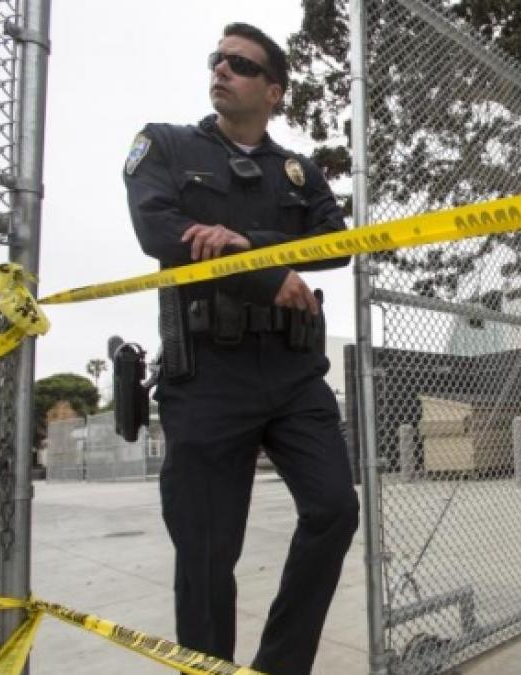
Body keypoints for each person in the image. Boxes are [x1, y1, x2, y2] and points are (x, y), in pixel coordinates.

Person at [123, 23, 358, 674]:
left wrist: (239, 240)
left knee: (335, 508)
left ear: (273, 91)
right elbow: (159, 229)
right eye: (217, 60)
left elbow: (334, 245)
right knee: (205, 554)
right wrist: (267, 268)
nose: (222, 70)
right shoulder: (166, 145)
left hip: (292, 371)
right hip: (208, 376)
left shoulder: (297, 170)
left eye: (240, 64)